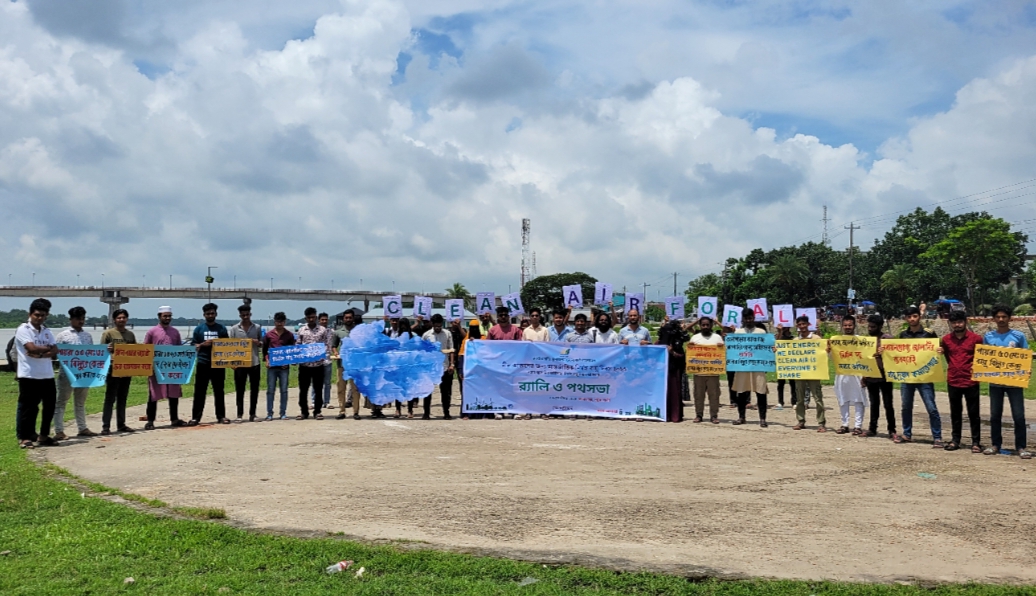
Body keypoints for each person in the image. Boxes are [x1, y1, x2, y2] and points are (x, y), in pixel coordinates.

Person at [982, 305, 1031, 459]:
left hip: (1014, 383)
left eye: (1004, 317)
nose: (1001, 320)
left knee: (1018, 416)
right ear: (994, 319)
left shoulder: (1018, 336)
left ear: (1009, 318)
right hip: (995, 383)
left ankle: (1021, 447)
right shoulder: (988, 337)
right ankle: (996, 445)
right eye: (998, 317)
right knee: (995, 415)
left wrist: (1027, 370)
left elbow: (1025, 356)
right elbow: (984, 359)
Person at [891, 305, 943, 447]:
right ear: (906, 318)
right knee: (906, 407)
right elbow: (897, 353)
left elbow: (937, 350)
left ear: (919, 317)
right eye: (909, 317)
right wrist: (885, 350)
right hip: (907, 377)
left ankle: (937, 437)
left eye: (914, 316)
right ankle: (907, 434)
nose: (912, 319)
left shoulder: (929, 333)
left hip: (925, 377)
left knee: (931, 407)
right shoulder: (903, 335)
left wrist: (940, 350)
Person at [14, 298, 59, 449]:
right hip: (29, 375)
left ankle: (43, 435)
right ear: (30, 314)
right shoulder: (23, 330)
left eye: (43, 315)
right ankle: (25, 437)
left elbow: (55, 351)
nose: (39, 318)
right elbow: (31, 348)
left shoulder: (46, 331)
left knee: (49, 406)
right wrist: (47, 349)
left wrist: (41, 354)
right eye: (37, 315)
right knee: (28, 407)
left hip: (47, 374)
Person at [940, 310, 983, 453]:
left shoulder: (976, 339)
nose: (957, 325)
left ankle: (976, 442)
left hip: (971, 381)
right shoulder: (946, 340)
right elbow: (947, 356)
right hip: (953, 380)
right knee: (955, 412)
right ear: (950, 324)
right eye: (954, 322)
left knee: (974, 413)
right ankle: (955, 440)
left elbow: (981, 359)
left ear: (965, 322)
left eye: (959, 322)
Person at [52, 306, 96, 439]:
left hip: (83, 373)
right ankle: (59, 430)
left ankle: (82, 428)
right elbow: (56, 353)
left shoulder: (87, 336)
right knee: (61, 401)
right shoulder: (62, 336)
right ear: (71, 319)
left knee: (80, 402)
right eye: (78, 319)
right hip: (67, 374)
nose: (81, 321)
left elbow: (92, 354)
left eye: (83, 318)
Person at [143, 306, 187, 430]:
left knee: (174, 394)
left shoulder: (175, 332)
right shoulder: (152, 332)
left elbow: (179, 350)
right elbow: (146, 348)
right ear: (159, 316)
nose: (167, 318)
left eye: (169, 316)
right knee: (153, 394)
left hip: (172, 368)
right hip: (156, 368)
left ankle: (174, 419)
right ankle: (150, 420)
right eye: (165, 316)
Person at [190, 303, 229, 426]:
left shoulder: (221, 329)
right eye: (208, 314)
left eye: (212, 313)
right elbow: (193, 345)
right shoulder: (199, 329)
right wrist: (201, 345)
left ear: (216, 314)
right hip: (203, 362)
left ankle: (221, 416)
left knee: (219, 391)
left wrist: (216, 343)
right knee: (199, 391)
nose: (210, 315)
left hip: (218, 363)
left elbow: (228, 345)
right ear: (204, 315)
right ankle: (196, 417)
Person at [101, 308, 137, 434]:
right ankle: (106, 426)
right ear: (114, 319)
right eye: (119, 318)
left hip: (126, 369)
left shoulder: (130, 335)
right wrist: (107, 349)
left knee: (123, 398)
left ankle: (121, 424)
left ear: (127, 319)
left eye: (123, 317)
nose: (121, 320)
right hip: (112, 369)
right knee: (110, 398)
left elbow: (136, 352)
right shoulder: (108, 334)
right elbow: (100, 352)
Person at [730, 310, 768, 427]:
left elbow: (767, 347)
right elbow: (733, 349)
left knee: (761, 392)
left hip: (758, 366)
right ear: (743, 319)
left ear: (754, 318)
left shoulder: (761, 332)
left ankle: (762, 418)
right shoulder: (738, 332)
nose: (748, 320)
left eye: (750, 318)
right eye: (746, 318)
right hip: (742, 366)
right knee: (741, 392)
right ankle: (741, 417)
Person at [863, 314, 897, 440]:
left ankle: (892, 429)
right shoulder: (867, 341)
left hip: (885, 376)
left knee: (888, 404)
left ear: (880, 326)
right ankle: (872, 428)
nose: (870, 329)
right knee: (874, 403)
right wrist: (864, 376)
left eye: (873, 327)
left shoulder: (887, 339)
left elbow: (896, 354)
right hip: (871, 375)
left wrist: (885, 352)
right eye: (869, 326)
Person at [790, 315, 825, 432]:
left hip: (814, 372)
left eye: (804, 324)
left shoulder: (816, 338)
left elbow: (823, 351)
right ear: (797, 326)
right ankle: (801, 421)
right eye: (799, 325)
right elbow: (789, 354)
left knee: (817, 398)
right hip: (800, 372)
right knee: (800, 398)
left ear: (808, 325)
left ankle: (821, 423)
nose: (802, 327)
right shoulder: (795, 341)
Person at [229, 304, 263, 422]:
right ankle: (239, 414)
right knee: (240, 389)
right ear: (240, 315)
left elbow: (262, 343)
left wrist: (257, 342)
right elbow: (230, 346)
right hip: (240, 363)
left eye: (247, 314)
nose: (245, 317)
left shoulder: (257, 327)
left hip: (254, 362)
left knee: (254, 389)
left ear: (250, 314)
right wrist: (232, 362)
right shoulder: (234, 329)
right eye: (243, 315)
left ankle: (253, 414)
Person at [833, 316, 867, 435]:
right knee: (843, 399)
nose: (847, 327)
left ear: (854, 326)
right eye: (845, 325)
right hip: (842, 374)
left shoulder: (861, 340)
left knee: (859, 400)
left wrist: (865, 376)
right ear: (842, 326)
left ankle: (858, 426)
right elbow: (833, 357)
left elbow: (866, 357)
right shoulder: (837, 341)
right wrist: (828, 350)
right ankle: (844, 424)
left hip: (857, 374)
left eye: (850, 325)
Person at [296, 307, 330, 420]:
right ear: (306, 318)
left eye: (313, 317)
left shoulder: (322, 330)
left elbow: (327, 344)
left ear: (316, 317)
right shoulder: (301, 330)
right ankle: (304, 411)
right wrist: (296, 358)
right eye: (309, 317)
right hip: (305, 365)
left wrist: (324, 357)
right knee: (303, 389)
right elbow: (298, 345)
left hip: (318, 365)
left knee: (318, 388)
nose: (311, 319)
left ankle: (317, 411)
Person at [688, 316, 723, 424]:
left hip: (713, 372)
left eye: (707, 325)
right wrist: (691, 347)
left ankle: (714, 415)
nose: (705, 327)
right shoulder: (695, 338)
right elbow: (691, 354)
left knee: (714, 394)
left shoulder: (717, 338)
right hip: (699, 372)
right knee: (698, 394)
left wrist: (721, 347)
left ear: (711, 325)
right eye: (703, 325)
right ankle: (699, 415)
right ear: (700, 326)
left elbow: (721, 354)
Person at [422, 314, 456, 420]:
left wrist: (452, 364)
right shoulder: (426, 335)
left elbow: (451, 349)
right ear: (432, 324)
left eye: (439, 325)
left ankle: (446, 412)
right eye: (436, 325)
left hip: (444, 366)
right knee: (427, 391)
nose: (438, 327)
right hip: (430, 368)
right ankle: (426, 413)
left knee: (445, 392)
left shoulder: (447, 333)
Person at [262, 312, 295, 420]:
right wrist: (266, 360)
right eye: (277, 321)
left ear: (284, 322)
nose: (279, 324)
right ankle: (269, 413)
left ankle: (283, 413)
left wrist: (289, 361)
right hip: (272, 367)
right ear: (274, 321)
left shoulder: (289, 335)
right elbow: (265, 350)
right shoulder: (269, 335)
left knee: (284, 390)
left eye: (281, 322)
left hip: (284, 367)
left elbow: (292, 350)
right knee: (270, 390)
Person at [332, 310, 363, 420]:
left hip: (355, 364)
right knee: (341, 388)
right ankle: (342, 411)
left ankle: (356, 411)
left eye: (350, 317)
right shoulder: (338, 332)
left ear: (353, 318)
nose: (348, 319)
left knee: (355, 389)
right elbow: (334, 345)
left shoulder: (359, 332)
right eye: (346, 318)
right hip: (342, 364)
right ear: (343, 319)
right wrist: (335, 352)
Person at [657, 319, 688, 423]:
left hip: (674, 370)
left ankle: (675, 415)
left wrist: (672, 352)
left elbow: (682, 356)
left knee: (674, 391)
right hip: (662, 370)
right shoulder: (660, 342)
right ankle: (664, 414)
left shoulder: (677, 342)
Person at [393, 318, 418, 418]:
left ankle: (410, 410)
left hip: (410, 367)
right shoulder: (396, 337)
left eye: (405, 325)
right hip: (398, 367)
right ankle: (398, 409)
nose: (403, 327)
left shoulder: (414, 337)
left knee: (410, 389)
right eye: (401, 325)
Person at [314, 312, 333, 410]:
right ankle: (314, 401)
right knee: (316, 382)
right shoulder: (315, 331)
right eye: (322, 320)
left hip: (328, 359)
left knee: (327, 383)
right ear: (319, 320)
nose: (324, 321)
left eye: (326, 319)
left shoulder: (331, 331)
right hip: (317, 360)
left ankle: (327, 401)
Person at [774, 325, 795, 410]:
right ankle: (780, 401)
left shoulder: (793, 338)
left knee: (793, 383)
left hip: (791, 363)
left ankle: (794, 401)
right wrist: (780, 332)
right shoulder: (778, 337)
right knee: (780, 384)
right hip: (781, 364)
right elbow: (775, 343)